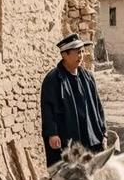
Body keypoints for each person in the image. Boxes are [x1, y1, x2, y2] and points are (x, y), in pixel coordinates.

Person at [40, 33, 107, 167]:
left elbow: (97, 105)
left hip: (89, 134)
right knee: (69, 175)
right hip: (67, 135)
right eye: (77, 52)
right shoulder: (53, 79)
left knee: (92, 172)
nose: (81, 55)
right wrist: (52, 133)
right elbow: (47, 108)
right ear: (65, 55)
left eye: (82, 51)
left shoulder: (87, 77)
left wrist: (103, 130)